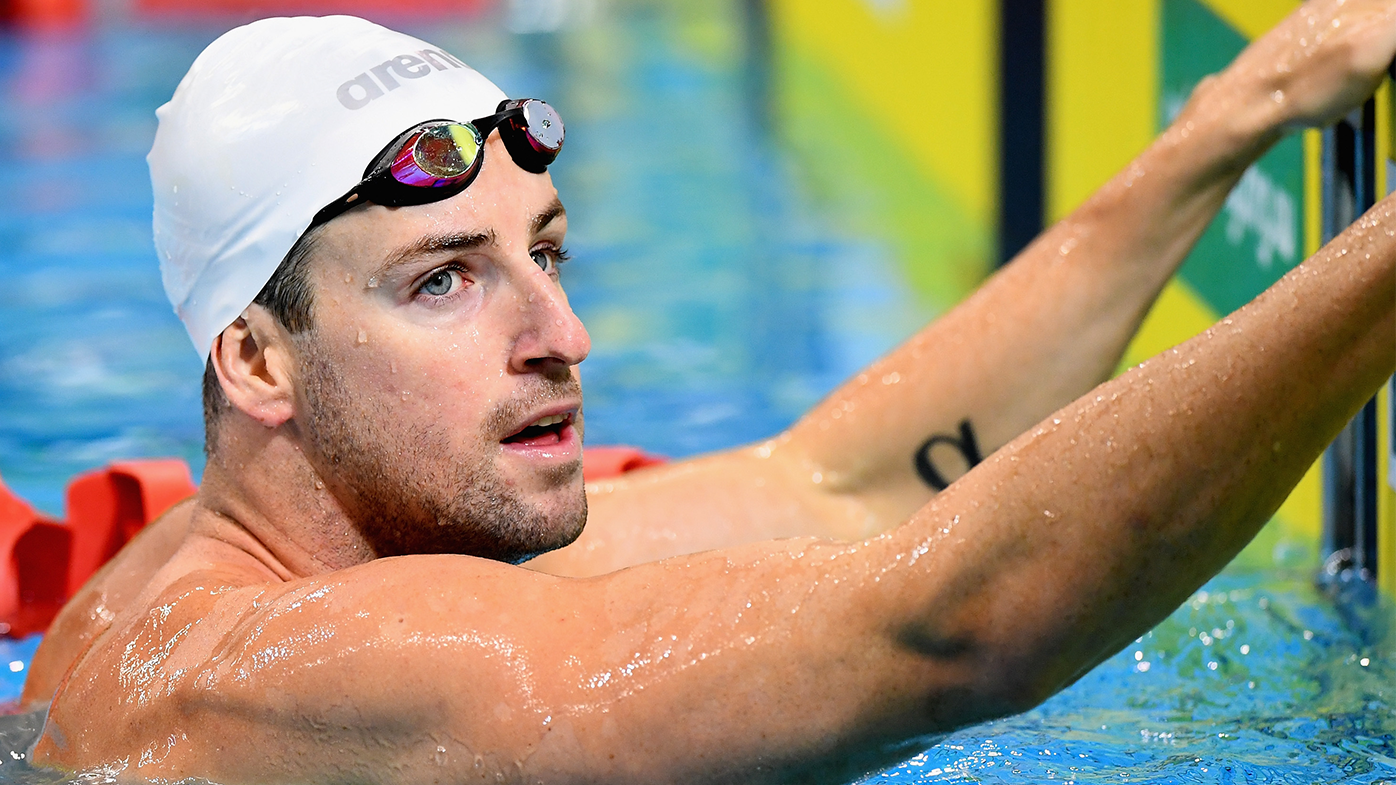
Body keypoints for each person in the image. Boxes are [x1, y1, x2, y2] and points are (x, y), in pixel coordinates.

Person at [24, 3, 1396, 782]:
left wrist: (1231, 119)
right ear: (257, 360)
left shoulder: (279, 541)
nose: (560, 329)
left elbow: (840, 485)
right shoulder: (309, 673)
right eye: (444, 280)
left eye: (545, 251)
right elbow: (946, 635)